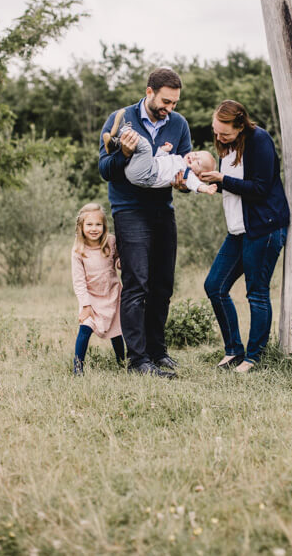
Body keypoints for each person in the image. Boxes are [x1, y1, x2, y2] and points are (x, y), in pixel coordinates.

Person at [99, 67, 191, 378]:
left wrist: (184, 182)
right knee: (136, 284)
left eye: (175, 103)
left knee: (163, 285)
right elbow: (104, 169)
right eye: (166, 101)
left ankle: (157, 351)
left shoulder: (178, 125)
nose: (170, 108)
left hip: (163, 209)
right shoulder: (120, 118)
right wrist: (123, 154)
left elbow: (186, 165)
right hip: (129, 209)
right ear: (149, 92)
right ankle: (137, 360)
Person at [200, 100, 290, 373]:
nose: (219, 137)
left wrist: (222, 180)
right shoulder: (227, 146)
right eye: (216, 131)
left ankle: (254, 357)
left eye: (224, 132)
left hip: (263, 228)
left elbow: (260, 188)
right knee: (214, 286)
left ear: (240, 125)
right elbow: (231, 187)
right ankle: (234, 350)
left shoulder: (259, 140)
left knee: (257, 293)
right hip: (238, 231)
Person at [103, 109, 217, 194]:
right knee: (139, 147)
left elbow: (196, 185)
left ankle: (122, 130)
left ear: (198, 174)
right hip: (142, 170)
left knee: (145, 147)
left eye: (198, 162)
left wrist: (206, 188)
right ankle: (115, 143)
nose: (194, 157)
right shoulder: (177, 159)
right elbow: (157, 159)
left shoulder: (187, 174)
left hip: (146, 175)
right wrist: (163, 150)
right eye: (196, 154)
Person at [71, 203, 124, 374]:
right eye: (89, 224)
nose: (94, 229)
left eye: (98, 224)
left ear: (104, 226)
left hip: (112, 293)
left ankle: (122, 362)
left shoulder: (111, 241)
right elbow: (79, 281)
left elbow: (117, 259)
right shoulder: (78, 250)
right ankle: (78, 368)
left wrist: (120, 262)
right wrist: (85, 305)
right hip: (91, 298)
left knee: (116, 331)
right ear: (81, 226)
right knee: (85, 328)